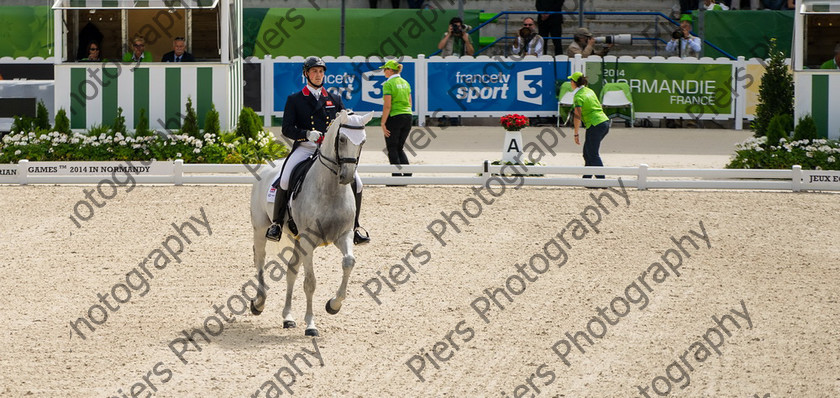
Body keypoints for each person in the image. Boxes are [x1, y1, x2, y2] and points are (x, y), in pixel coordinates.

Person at [266, 56, 370, 245]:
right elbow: (286, 129)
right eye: (314, 71)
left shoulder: (334, 99)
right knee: (285, 178)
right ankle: (277, 223)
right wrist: (306, 134)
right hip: (306, 148)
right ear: (306, 74)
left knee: (358, 183)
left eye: (321, 71)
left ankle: (355, 227)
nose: (318, 75)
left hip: (330, 152)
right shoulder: (295, 99)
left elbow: (344, 123)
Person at [569, 71, 610, 180]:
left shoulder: (578, 96)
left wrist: (576, 134)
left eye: (571, 81)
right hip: (604, 122)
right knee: (587, 152)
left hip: (595, 124)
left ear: (574, 83)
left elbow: (577, 116)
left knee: (592, 153)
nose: (570, 83)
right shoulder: (589, 91)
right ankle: (587, 178)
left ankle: (601, 180)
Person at [379, 60, 413, 178]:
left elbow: (387, 106)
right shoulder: (406, 83)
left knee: (392, 147)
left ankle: (396, 176)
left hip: (394, 117)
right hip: (408, 116)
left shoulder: (388, 84)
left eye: (385, 70)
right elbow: (410, 103)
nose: (384, 72)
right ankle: (408, 173)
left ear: (389, 70)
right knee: (399, 147)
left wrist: (383, 123)